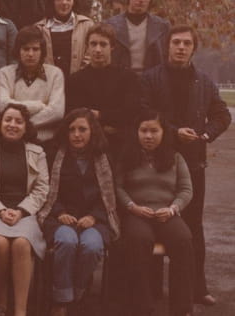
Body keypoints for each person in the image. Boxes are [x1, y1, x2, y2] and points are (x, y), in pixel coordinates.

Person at [140, 25, 231, 306]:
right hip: (156, 162)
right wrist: (173, 132)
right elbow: (143, 112)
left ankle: (197, 288)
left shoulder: (204, 81)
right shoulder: (150, 78)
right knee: (153, 222)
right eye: (176, 42)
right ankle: (152, 288)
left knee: (193, 227)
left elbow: (222, 115)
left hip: (193, 164)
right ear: (167, 46)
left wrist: (206, 134)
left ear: (193, 48)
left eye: (187, 43)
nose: (181, 47)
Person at [37, 108, 119, 316]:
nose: (76, 134)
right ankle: (62, 300)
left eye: (82, 129)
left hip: (95, 219)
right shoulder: (54, 157)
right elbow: (45, 191)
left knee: (92, 246)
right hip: (59, 217)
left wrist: (94, 217)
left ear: (93, 131)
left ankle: (78, 292)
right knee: (67, 241)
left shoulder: (104, 159)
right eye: (71, 129)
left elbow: (109, 197)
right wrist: (60, 213)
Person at [116, 110, 194, 316]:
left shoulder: (175, 157)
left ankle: (181, 309)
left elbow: (186, 189)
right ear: (136, 132)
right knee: (139, 240)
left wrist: (173, 208)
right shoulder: (126, 158)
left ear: (163, 132)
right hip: (137, 214)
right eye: (143, 131)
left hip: (167, 214)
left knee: (183, 240)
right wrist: (132, 206)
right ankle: (142, 308)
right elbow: (117, 187)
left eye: (154, 131)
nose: (148, 136)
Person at [0, 103, 49, 316]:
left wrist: (21, 211)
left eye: (18, 121)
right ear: (0, 124)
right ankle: (1, 305)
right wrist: (0, 211)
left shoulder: (38, 153)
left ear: (26, 127)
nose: (12, 125)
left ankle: (20, 311)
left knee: (22, 244)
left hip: (25, 213)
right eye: (8, 120)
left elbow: (42, 188)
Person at [66, 23, 140, 160]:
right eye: (93, 44)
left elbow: (131, 112)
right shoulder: (75, 80)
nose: (98, 49)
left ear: (112, 47)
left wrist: (100, 115)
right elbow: (74, 114)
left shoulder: (128, 77)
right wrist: (108, 121)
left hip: (121, 146)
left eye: (103, 44)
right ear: (87, 47)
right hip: (87, 147)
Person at [0, 26, 65, 148]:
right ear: (18, 50)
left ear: (42, 51)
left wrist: (20, 124)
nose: (30, 54)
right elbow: (3, 105)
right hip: (14, 142)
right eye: (26, 49)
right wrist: (38, 106)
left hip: (45, 142)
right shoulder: (5, 73)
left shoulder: (55, 74)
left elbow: (57, 111)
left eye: (35, 49)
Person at [103, 0, 170, 74]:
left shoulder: (162, 26)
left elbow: (167, 58)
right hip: (120, 80)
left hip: (152, 80)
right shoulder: (110, 25)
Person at [34, 0, 94, 78]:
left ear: (74, 1)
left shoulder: (87, 25)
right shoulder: (39, 29)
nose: (64, 2)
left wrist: (79, 78)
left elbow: (90, 56)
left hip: (81, 82)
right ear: (52, 1)